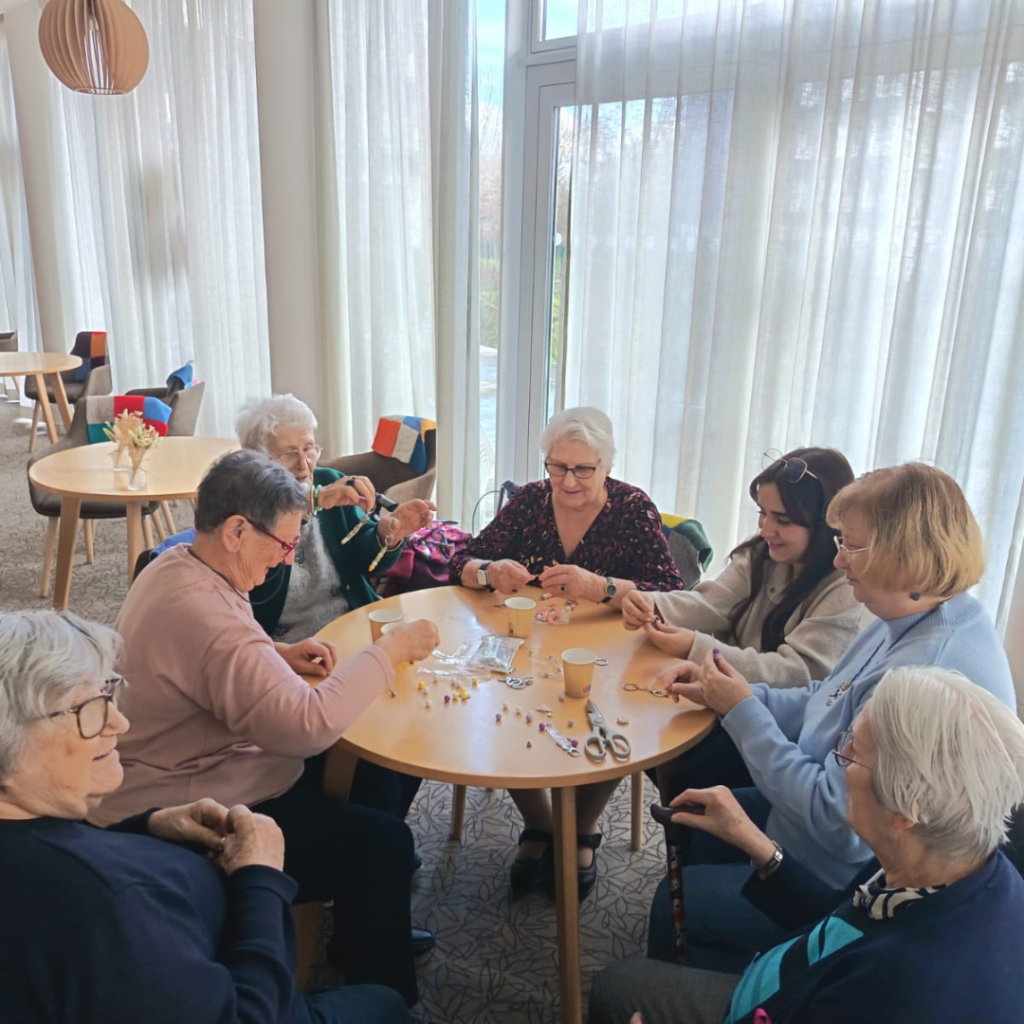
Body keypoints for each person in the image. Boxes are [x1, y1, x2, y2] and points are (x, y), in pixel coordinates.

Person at [90, 450, 441, 1006]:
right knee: (386, 842)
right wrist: (390, 650)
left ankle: (365, 927)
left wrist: (276, 652)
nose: (286, 559)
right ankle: (386, 996)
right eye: (282, 544)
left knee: (372, 767)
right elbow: (308, 727)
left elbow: (206, 655)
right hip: (190, 801)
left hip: (192, 756)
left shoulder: (174, 563)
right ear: (235, 531)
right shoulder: (208, 617)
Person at [651, 463, 1015, 971]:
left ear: (903, 555)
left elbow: (834, 821)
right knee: (698, 817)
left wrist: (741, 710)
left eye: (852, 546)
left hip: (839, 875)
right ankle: (723, 959)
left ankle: (739, 987)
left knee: (674, 901)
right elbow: (825, 696)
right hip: (816, 821)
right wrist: (735, 693)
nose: (839, 559)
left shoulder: (921, 675)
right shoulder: (911, 612)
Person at [0, 610, 409, 1024]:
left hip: (193, 930)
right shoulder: (106, 907)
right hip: (255, 987)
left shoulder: (32, 834)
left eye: (109, 694)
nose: (119, 722)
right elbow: (250, 1015)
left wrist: (148, 828)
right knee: (384, 1002)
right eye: (89, 709)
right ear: (10, 741)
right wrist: (261, 879)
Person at [589, 666, 1024, 1024]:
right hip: (791, 976)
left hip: (786, 1001)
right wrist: (757, 844)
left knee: (617, 987)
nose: (839, 759)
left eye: (852, 752)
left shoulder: (893, 994)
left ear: (904, 809)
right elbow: (836, 921)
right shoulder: (941, 859)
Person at [450, 406, 685, 900]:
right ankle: (540, 822)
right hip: (531, 647)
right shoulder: (531, 502)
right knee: (504, 708)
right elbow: (460, 560)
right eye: (558, 467)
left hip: (612, 651)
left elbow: (671, 593)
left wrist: (602, 587)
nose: (569, 481)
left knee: (619, 720)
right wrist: (490, 571)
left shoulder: (633, 508)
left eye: (583, 469)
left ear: (607, 466)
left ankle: (581, 828)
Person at [622, 448, 863, 687]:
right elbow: (713, 604)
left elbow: (798, 673)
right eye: (763, 513)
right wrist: (652, 604)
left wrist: (698, 648)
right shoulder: (761, 552)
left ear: (827, 524)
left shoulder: (846, 588)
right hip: (724, 695)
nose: (765, 530)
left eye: (783, 520)